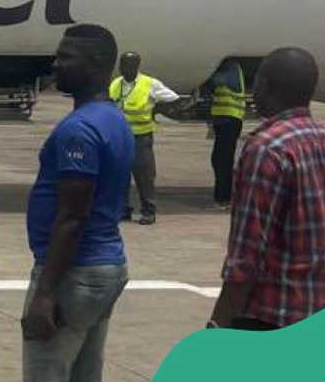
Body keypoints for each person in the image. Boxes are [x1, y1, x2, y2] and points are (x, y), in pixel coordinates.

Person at [22, 24, 133, 382]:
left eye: (66, 57)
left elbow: (72, 216)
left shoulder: (79, 130)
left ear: (97, 65)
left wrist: (45, 293)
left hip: (75, 273)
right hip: (104, 266)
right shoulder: (114, 118)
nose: (55, 64)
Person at [209, 47, 325, 331]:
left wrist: (218, 325)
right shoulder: (320, 137)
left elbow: (247, 256)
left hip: (272, 315)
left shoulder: (268, 148)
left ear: (267, 85)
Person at [108, 51, 182, 226]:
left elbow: (174, 99)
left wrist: (156, 110)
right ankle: (123, 210)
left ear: (137, 66)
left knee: (144, 176)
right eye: (123, 65)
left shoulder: (149, 84)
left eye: (130, 65)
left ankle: (148, 211)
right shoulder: (115, 84)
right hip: (120, 137)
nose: (126, 68)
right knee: (120, 175)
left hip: (141, 138)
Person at [204, 58, 246, 209]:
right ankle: (223, 196)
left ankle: (223, 198)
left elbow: (214, 82)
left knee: (222, 160)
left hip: (230, 120)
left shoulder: (230, 69)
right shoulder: (232, 68)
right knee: (220, 159)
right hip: (225, 121)